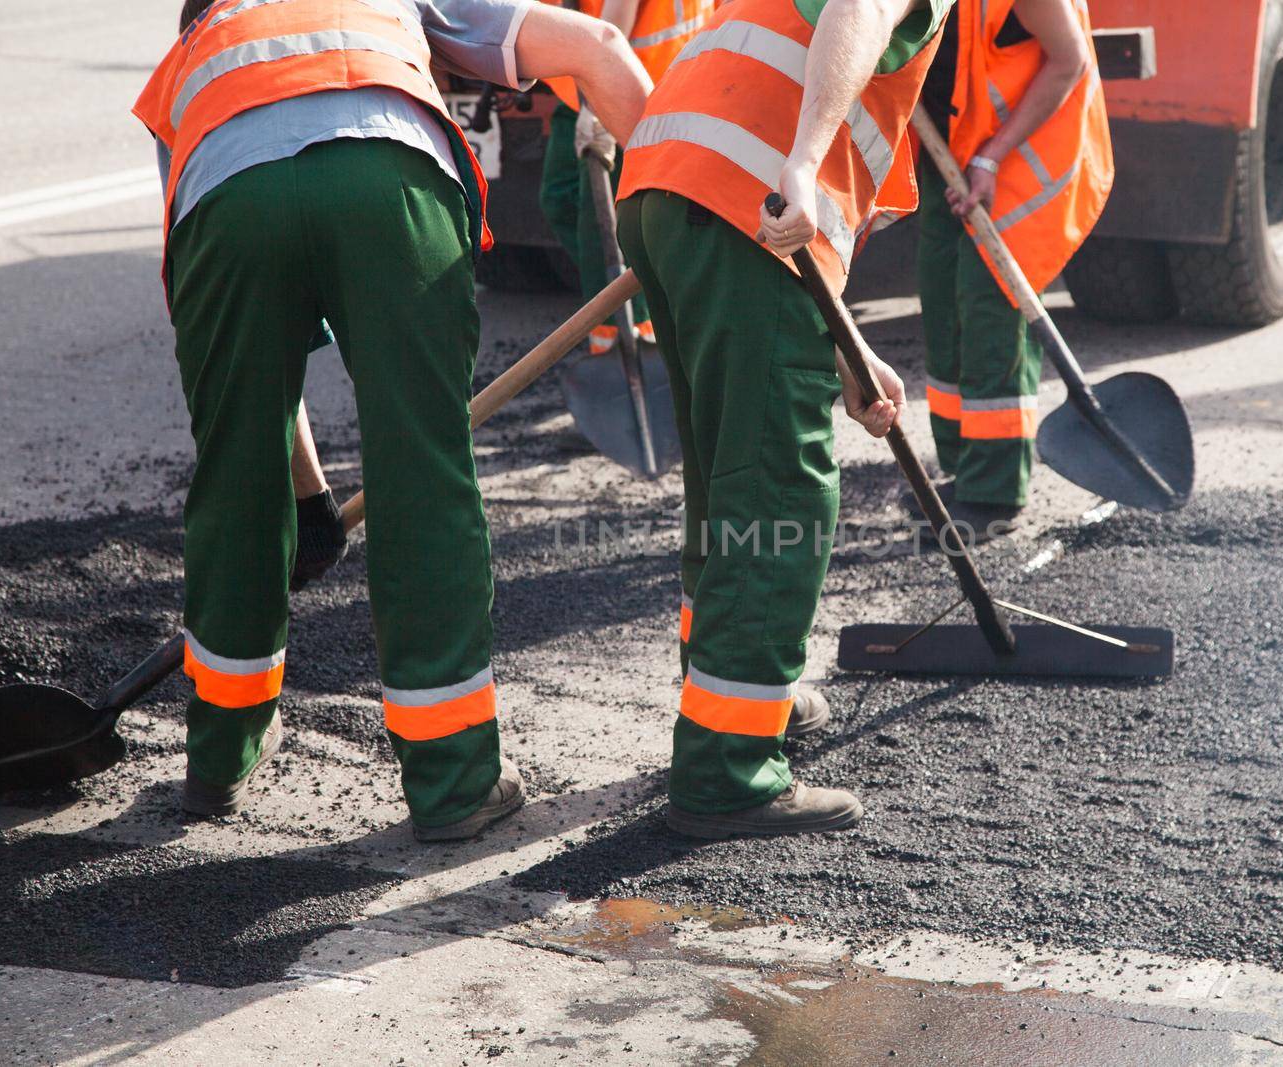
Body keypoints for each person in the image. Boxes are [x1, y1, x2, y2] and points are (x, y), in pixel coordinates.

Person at [136, 0, 651, 840]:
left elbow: (247, 378)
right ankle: (453, 781)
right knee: (424, 474)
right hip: (391, 180)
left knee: (235, 469)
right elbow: (597, 44)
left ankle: (220, 755)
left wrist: (303, 493)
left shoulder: (196, 55)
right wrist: (671, 207)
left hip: (228, 197)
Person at [614, 0, 953, 838]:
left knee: (729, 473)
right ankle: (728, 767)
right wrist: (802, 162)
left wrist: (847, 355)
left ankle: (739, 693)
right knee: (778, 492)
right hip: (748, 193)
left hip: (669, 181)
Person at [911, 0, 1111, 542]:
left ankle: (991, 494)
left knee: (989, 312)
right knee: (944, 308)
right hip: (948, 147)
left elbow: (1069, 60)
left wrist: (992, 156)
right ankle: (964, 469)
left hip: (1018, 157)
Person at [536, 0, 716, 355]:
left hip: (627, 89)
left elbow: (609, 35)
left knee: (602, 223)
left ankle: (628, 328)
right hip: (580, 84)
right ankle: (650, 291)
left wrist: (597, 110)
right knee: (560, 198)